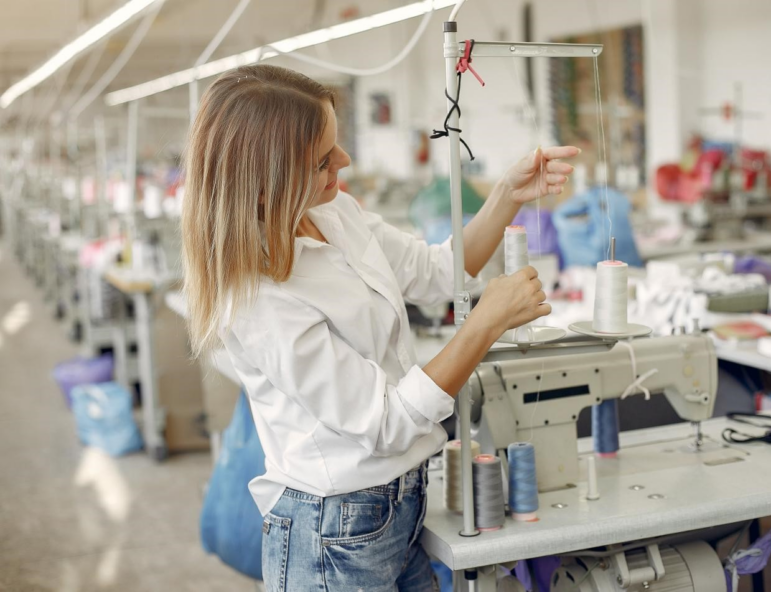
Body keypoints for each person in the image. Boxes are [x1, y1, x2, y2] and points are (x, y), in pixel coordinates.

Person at [181, 64, 578, 592]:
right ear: (264, 184)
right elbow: (385, 420)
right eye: (324, 159)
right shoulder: (255, 297)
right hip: (334, 528)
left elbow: (439, 271)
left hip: (400, 502)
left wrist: (507, 193)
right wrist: (486, 324)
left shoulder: (333, 213)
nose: (344, 161)